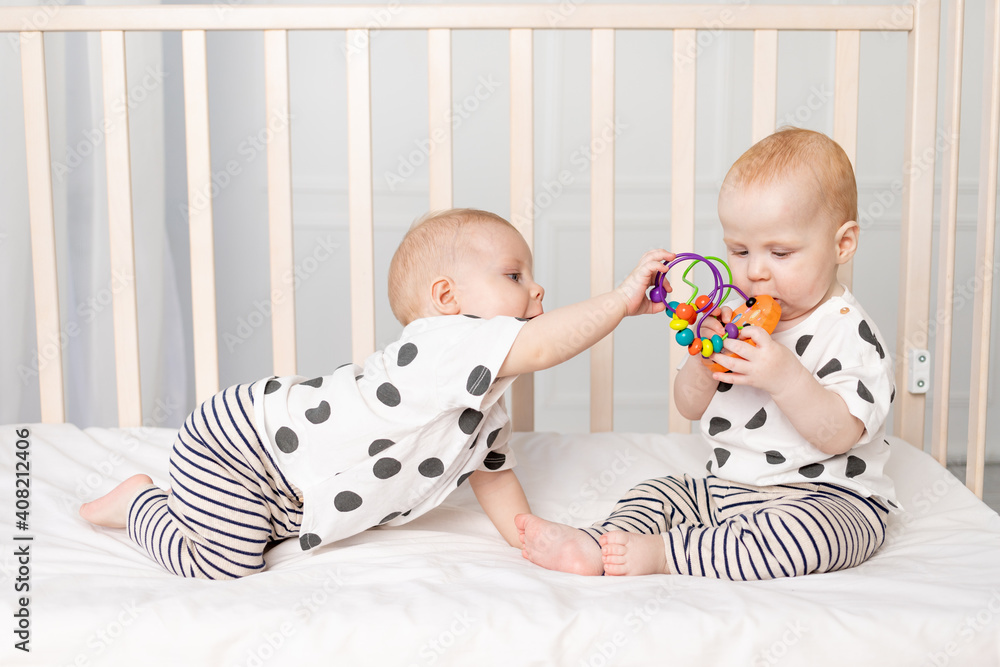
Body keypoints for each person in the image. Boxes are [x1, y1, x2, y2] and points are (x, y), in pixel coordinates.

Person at [79, 208, 674, 580]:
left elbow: (491, 472)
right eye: (514, 276)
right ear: (447, 298)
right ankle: (139, 502)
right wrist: (621, 300)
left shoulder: (484, 400)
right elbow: (544, 345)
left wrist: (529, 531)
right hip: (243, 445)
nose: (538, 288)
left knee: (256, 542)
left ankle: (176, 506)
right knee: (221, 566)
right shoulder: (445, 344)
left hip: (291, 490)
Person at [516, 128, 899, 580]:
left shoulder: (847, 331)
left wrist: (783, 375)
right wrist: (703, 362)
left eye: (780, 252)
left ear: (842, 244)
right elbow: (688, 405)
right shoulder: (731, 315)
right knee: (661, 492)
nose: (755, 271)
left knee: (805, 538)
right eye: (739, 250)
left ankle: (665, 554)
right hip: (729, 490)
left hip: (828, 498)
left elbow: (840, 435)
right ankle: (598, 542)